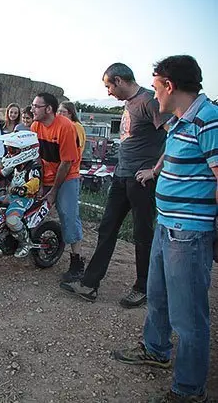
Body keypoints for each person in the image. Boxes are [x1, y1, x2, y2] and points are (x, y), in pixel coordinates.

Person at [113, 55, 218, 403]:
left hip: (188, 233)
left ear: (170, 87)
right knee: (157, 297)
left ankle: (188, 389)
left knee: (188, 316)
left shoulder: (209, 120)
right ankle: (156, 350)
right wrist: (156, 172)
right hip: (167, 226)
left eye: (156, 88)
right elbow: (171, 156)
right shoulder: (180, 120)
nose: (154, 96)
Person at [60, 63, 168, 307]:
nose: (108, 92)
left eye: (109, 86)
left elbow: (175, 135)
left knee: (143, 235)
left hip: (141, 180)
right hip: (121, 177)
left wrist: (155, 170)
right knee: (107, 229)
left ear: (119, 80)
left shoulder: (149, 101)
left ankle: (143, 288)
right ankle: (89, 284)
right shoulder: (130, 103)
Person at [30, 93, 84, 280]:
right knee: (29, 207)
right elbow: (36, 155)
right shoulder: (35, 126)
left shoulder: (66, 128)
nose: (32, 109)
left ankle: (77, 262)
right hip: (47, 175)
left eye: (36, 106)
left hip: (67, 176)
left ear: (48, 109)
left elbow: (66, 163)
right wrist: (38, 181)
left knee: (69, 216)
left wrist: (53, 191)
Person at [0, 131, 42, 257]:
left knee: (11, 219)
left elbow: (35, 182)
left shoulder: (33, 167)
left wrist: (23, 188)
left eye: (12, 150)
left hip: (25, 198)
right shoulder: (15, 164)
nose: (9, 153)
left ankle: (25, 242)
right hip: (11, 196)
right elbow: (0, 173)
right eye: (8, 150)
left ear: (26, 150)